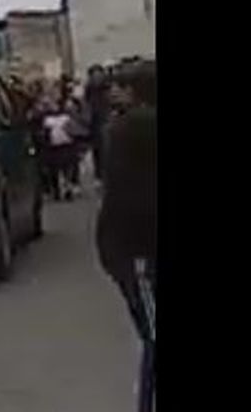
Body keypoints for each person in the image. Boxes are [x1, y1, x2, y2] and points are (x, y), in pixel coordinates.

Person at [96, 60, 156, 412]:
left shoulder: (124, 129)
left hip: (134, 250)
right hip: (138, 248)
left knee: (151, 335)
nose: (114, 91)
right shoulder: (127, 127)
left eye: (122, 85)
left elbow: (119, 192)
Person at [42, 98, 80, 201]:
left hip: (66, 146)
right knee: (54, 171)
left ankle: (68, 189)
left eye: (55, 104)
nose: (53, 107)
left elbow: (74, 131)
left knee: (66, 170)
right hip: (54, 148)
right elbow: (44, 135)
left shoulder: (66, 118)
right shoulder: (47, 120)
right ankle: (57, 191)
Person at [84, 64, 111, 181]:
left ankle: (104, 174)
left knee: (106, 150)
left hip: (105, 121)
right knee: (98, 150)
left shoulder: (108, 89)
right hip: (95, 123)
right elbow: (86, 106)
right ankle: (99, 174)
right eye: (94, 75)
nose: (97, 78)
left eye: (99, 75)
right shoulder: (89, 91)